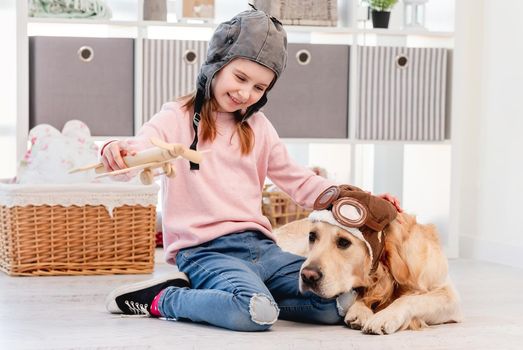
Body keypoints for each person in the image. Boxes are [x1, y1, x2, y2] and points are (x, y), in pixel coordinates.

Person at [103, 7, 401, 332]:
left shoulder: (259, 127)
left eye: (259, 88)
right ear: (216, 64)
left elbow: (300, 182)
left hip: (262, 248)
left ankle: (241, 293)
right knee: (252, 314)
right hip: (205, 251)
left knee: (336, 304)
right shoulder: (175, 118)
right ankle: (163, 298)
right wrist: (119, 153)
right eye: (240, 78)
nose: (245, 93)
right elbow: (138, 152)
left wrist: (360, 199)